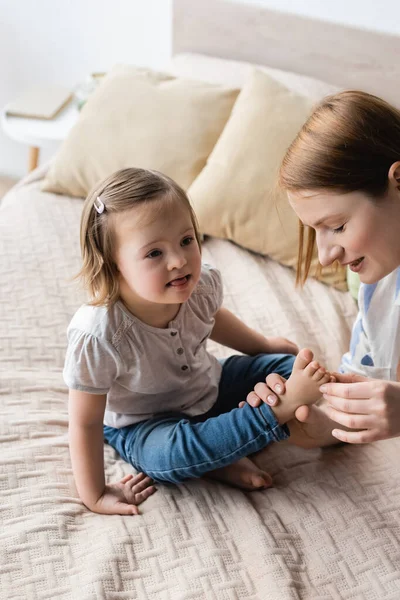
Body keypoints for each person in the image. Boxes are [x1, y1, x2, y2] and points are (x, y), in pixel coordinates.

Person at [64, 167, 332, 516]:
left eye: (186, 240)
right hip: (144, 423)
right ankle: (265, 417)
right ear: (114, 266)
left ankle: (220, 455)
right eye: (154, 253)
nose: (179, 260)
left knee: (291, 366)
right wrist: (95, 494)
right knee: (170, 456)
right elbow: (84, 422)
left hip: (210, 385)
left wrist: (262, 345)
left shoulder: (198, 286)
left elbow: (212, 318)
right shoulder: (98, 335)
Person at [241, 90, 400, 447]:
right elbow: (365, 380)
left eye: (338, 226)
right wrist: (310, 417)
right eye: (315, 231)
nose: (325, 256)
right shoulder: (379, 284)